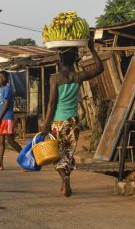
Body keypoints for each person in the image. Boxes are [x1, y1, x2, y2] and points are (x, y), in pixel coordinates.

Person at [42, 39, 104, 197]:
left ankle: (65, 177)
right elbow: (99, 68)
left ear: (60, 60)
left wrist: (46, 124)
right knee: (68, 154)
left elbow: (51, 102)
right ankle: (65, 181)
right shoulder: (78, 76)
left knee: (56, 155)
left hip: (58, 121)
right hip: (74, 121)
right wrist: (92, 49)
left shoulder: (55, 78)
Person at [0, 70, 22, 170]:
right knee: (1, 141)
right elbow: (1, 105)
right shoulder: (1, 89)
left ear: (7, 78)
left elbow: (6, 105)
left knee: (11, 141)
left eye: (2, 77)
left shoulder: (7, 88)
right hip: (1, 118)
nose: (0, 79)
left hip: (6, 118)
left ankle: (27, 158)